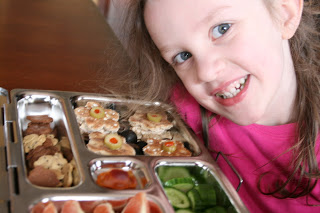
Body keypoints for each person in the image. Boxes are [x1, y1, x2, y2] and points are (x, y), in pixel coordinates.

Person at [115, 0, 320, 212]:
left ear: (285, 13)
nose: (205, 72)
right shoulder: (180, 110)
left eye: (222, 29)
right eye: (183, 56)